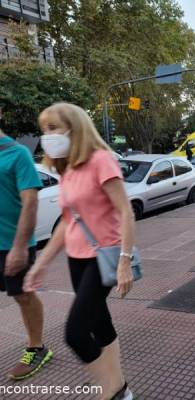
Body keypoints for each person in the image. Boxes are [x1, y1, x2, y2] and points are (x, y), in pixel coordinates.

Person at [23, 103, 135, 399]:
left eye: (53, 128)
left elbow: (126, 212)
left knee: (74, 334)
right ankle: (119, 385)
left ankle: (109, 390)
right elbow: (67, 223)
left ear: (75, 128)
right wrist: (41, 264)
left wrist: (124, 261)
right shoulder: (67, 168)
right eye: (44, 129)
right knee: (99, 323)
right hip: (77, 258)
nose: (46, 136)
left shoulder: (101, 160)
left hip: (104, 256)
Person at [0, 111, 53, 380]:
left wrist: (20, 247)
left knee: (23, 295)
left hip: (12, 244)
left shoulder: (17, 153)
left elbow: (30, 202)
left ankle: (37, 347)